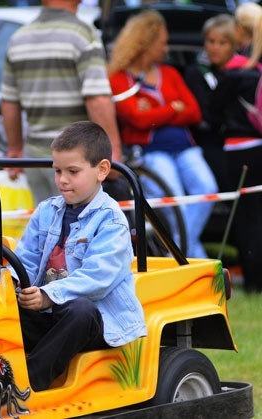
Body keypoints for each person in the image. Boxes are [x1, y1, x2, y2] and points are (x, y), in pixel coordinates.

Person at [14, 121, 146, 392]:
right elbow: (25, 259)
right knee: (2, 307)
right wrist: (16, 286)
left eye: (72, 171)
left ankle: (27, 384)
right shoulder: (46, 211)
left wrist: (47, 295)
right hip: (48, 312)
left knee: (81, 311)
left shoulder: (110, 220)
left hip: (98, 321)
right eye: (58, 171)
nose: (62, 180)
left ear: (102, 170)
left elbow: (98, 278)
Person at [107, 9, 218, 259]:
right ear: (145, 42)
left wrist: (155, 111)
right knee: (174, 199)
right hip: (150, 152)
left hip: (184, 147)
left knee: (207, 187)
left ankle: (176, 250)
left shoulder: (170, 73)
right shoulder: (118, 77)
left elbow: (194, 112)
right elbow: (135, 118)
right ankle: (192, 257)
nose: (166, 47)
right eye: (162, 42)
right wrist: (172, 107)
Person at [0, 0, 123, 204]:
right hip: (76, 160)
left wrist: (15, 148)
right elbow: (97, 98)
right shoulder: (83, 34)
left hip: (35, 159)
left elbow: (9, 101)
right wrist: (113, 150)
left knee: (49, 228)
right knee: (80, 231)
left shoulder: (18, 38)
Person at [209, 4, 262, 292]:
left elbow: (212, 112)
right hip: (259, 145)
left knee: (246, 218)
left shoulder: (235, 71)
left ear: (240, 30)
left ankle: (254, 282)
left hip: (239, 149)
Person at [184, 14, 239, 192]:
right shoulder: (196, 73)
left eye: (222, 43)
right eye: (211, 41)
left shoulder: (243, 72)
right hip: (209, 143)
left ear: (234, 45)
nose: (215, 48)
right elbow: (205, 115)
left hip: (239, 140)